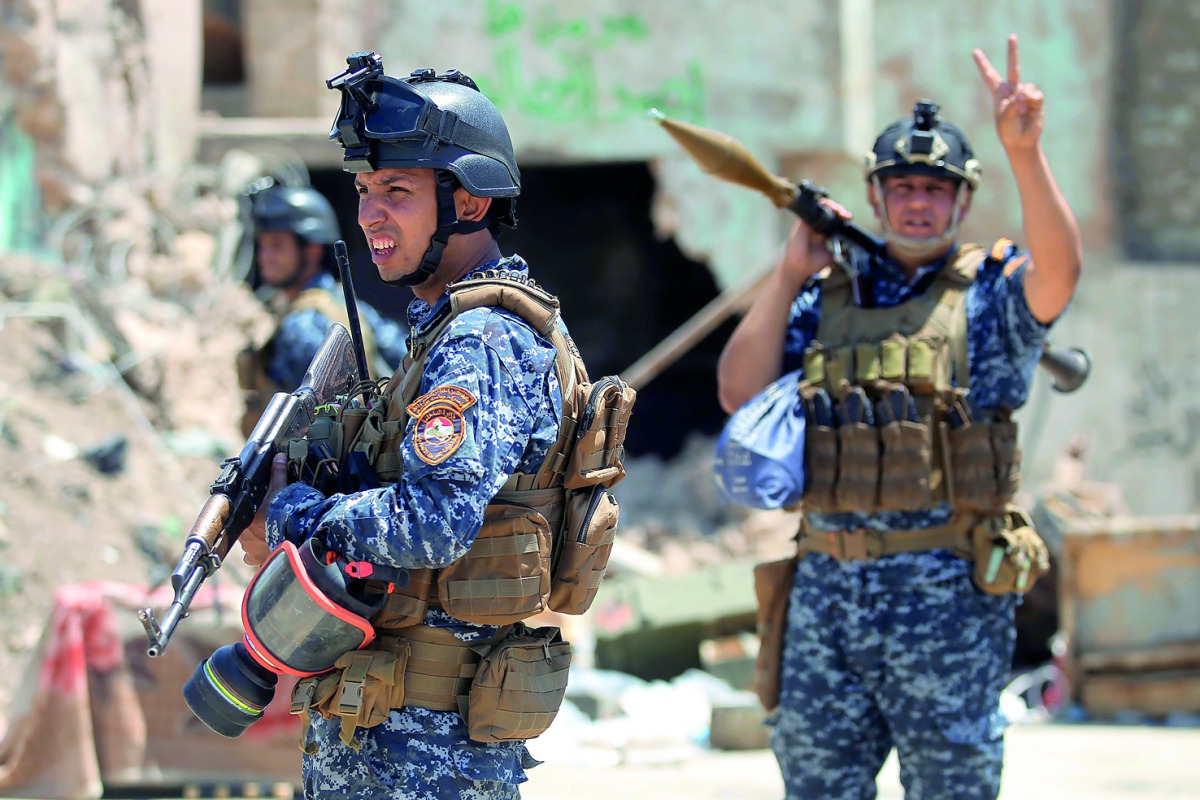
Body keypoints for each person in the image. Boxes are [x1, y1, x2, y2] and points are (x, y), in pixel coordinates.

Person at [236, 54, 613, 800]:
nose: (370, 213)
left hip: (427, 749)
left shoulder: (481, 339)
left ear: (468, 202)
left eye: (397, 192)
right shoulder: (443, 331)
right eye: (365, 190)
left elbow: (433, 523)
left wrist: (294, 514)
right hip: (390, 730)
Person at [716, 35, 1081, 800]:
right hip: (824, 598)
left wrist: (1025, 151)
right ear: (875, 198)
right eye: (903, 186)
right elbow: (739, 393)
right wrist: (788, 274)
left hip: (946, 604)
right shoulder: (828, 298)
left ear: (963, 202)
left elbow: (1059, 274)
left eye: (937, 189)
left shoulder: (990, 299)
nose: (919, 202)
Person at [236, 182, 408, 437]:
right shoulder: (351, 306)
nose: (265, 257)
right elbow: (405, 357)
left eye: (277, 246)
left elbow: (307, 422)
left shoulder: (300, 325)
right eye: (262, 246)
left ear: (312, 251)